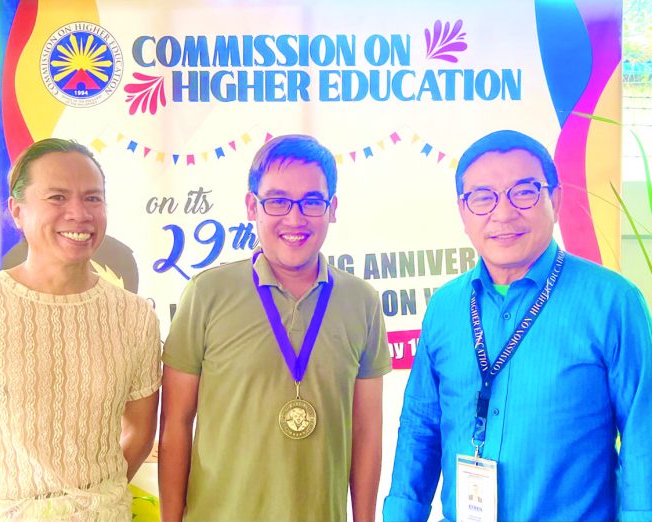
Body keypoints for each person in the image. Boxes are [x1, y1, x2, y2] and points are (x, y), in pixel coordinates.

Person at [383, 130, 652, 522]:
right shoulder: (445, 306)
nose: (503, 213)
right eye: (483, 197)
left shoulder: (613, 302)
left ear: (555, 200)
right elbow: (420, 427)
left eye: (524, 192)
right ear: (463, 211)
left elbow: (643, 433)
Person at [159, 134, 392, 522]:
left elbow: (367, 434)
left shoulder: (362, 301)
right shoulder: (207, 293)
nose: (295, 218)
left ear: (332, 208)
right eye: (278, 201)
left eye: (312, 202)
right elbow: (176, 424)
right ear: (253, 206)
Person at [0, 138, 161, 520]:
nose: (79, 213)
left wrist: (90, 502)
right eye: (57, 198)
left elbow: (140, 430)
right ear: (16, 211)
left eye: (92, 198)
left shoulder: (135, 318)